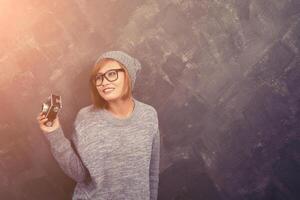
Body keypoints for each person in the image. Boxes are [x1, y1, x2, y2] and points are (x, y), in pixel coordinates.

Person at [36, 51, 160, 200]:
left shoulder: (148, 115)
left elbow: (152, 174)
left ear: (128, 75)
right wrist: (54, 133)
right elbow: (80, 174)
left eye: (112, 74)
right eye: (99, 77)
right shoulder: (86, 118)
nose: (104, 82)